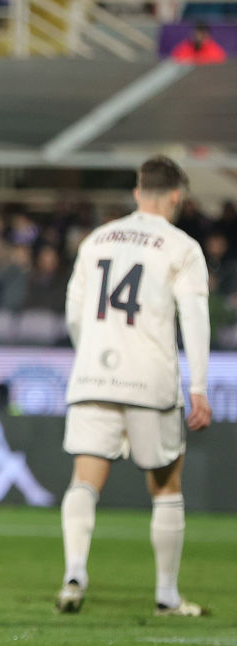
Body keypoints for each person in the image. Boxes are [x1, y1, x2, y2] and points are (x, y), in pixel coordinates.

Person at [57, 155, 211, 616]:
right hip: (150, 379)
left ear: (137, 190)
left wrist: (93, 355)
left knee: (84, 480)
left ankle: (74, 574)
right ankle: (166, 595)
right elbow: (195, 318)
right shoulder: (181, 247)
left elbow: (73, 313)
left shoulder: (96, 240)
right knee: (166, 486)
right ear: (176, 197)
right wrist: (198, 386)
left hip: (93, 375)